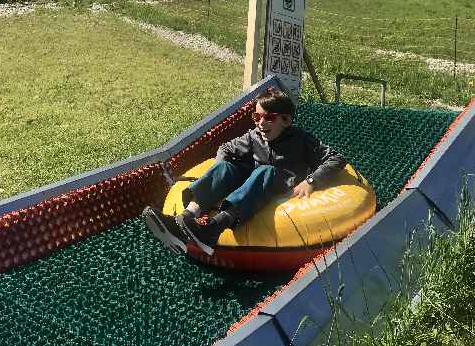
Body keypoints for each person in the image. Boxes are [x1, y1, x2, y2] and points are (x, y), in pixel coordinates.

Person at [142, 88, 347, 257]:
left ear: (286, 120)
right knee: (226, 167)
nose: (260, 122)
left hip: (282, 185)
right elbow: (226, 148)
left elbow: (336, 158)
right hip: (256, 181)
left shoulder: (301, 140)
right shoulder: (254, 136)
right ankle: (186, 220)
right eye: (256, 116)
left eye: (269, 118)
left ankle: (214, 228)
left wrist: (311, 180)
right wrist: (219, 170)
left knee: (264, 171)